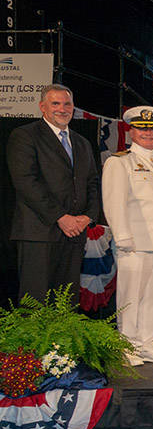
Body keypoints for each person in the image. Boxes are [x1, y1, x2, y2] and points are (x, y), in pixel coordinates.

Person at [101, 106, 153, 365]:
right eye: (141, 128)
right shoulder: (119, 162)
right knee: (132, 294)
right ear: (130, 132)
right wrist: (122, 236)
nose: (148, 133)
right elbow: (113, 202)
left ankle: (148, 343)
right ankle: (127, 345)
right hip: (135, 242)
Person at [7, 83, 100, 304]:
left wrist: (88, 216)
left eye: (67, 103)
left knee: (67, 301)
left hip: (75, 233)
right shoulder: (25, 136)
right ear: (42, 107)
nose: (62, 108)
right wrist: (61, 217)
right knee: (35, 301)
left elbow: (93, 183)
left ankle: (62, 340)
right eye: (55, 103)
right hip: (39, 233)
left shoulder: (82, 142)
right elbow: (26, 182)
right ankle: (34, 341)